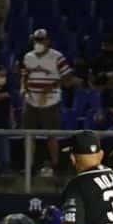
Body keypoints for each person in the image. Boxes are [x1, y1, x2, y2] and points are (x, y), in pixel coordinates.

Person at [21, 28, 76, 177]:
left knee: (51, 135)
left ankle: (55, 165)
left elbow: (68, 79)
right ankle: (29, 166)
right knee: (28, 135)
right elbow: (24, 75)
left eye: (41, 40)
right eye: (36, 40)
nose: (39, 43)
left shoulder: (57, 57)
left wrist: (51, 87)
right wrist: (23, 89)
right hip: (31, 101)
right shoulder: (28, 57)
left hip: (51, 102)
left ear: (47, 41)